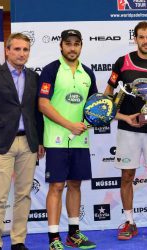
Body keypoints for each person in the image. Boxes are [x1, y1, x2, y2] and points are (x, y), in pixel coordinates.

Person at [104, 21, 147, 240]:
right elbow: (109, 91)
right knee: (127, 176)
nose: (145, 41)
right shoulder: (122, 62)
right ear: (135, 39)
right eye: (141, 37)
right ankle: (129, 221)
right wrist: (113, 111)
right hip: (128, 129)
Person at [0, 33, 45, 250]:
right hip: (0, 145)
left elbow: (37, 113)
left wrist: (40, 141)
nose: (21, 53)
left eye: (25, 49)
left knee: (23, 196)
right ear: (7, 50)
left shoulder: (34, 78)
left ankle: (18, 241)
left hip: (28, 144)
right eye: (17, 49)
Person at [38, 29, 97, 250]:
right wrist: (69, 125)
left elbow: (94, 108)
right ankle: (54, 238)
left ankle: (74, 234)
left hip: (80, 141)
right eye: (68, 44)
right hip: (56, 140)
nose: (72, 48)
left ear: (81, 46)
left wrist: (87, 122)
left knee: (75, 184)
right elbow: (43, 104)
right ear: (61, 46)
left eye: (76, 44)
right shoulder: (51, 70)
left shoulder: (87, 73)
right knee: (56, 186)